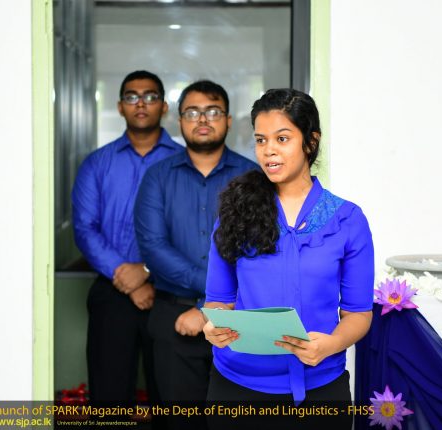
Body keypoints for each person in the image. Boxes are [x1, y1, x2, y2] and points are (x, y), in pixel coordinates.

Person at [203, 88, 374, 429]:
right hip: (237, 387)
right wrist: (214, 328)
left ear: (311, 141)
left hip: (321, 387)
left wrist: (332, 344)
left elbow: (358, 314)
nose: (269, 150)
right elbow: (218, 301)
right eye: (261, 140)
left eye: (282, 139)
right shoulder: (235, 211)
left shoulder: (348, 220)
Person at [134, 80, 258, 429]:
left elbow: (259, 250)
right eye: (192, 112)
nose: (202, 119)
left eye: (213, 111)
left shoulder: (253, 179)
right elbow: (153, 247)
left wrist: (209, 307)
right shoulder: (157, 177)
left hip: (240, 320)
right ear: (179, 121)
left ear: (228, 120)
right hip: (174, 318)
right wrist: (212, 298)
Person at [72, 70, 182, 413]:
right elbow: (85, 228)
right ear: (120, 106)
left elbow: (188, 230)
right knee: (110, 400)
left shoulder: (184, 163)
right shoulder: (97, 163)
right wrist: (127, 276)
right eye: (132, 97)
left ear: (164, 106)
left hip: (171, 294)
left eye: (150, 96)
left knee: (172, 400)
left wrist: (146, 271)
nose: (141, 103)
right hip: (112, 292)